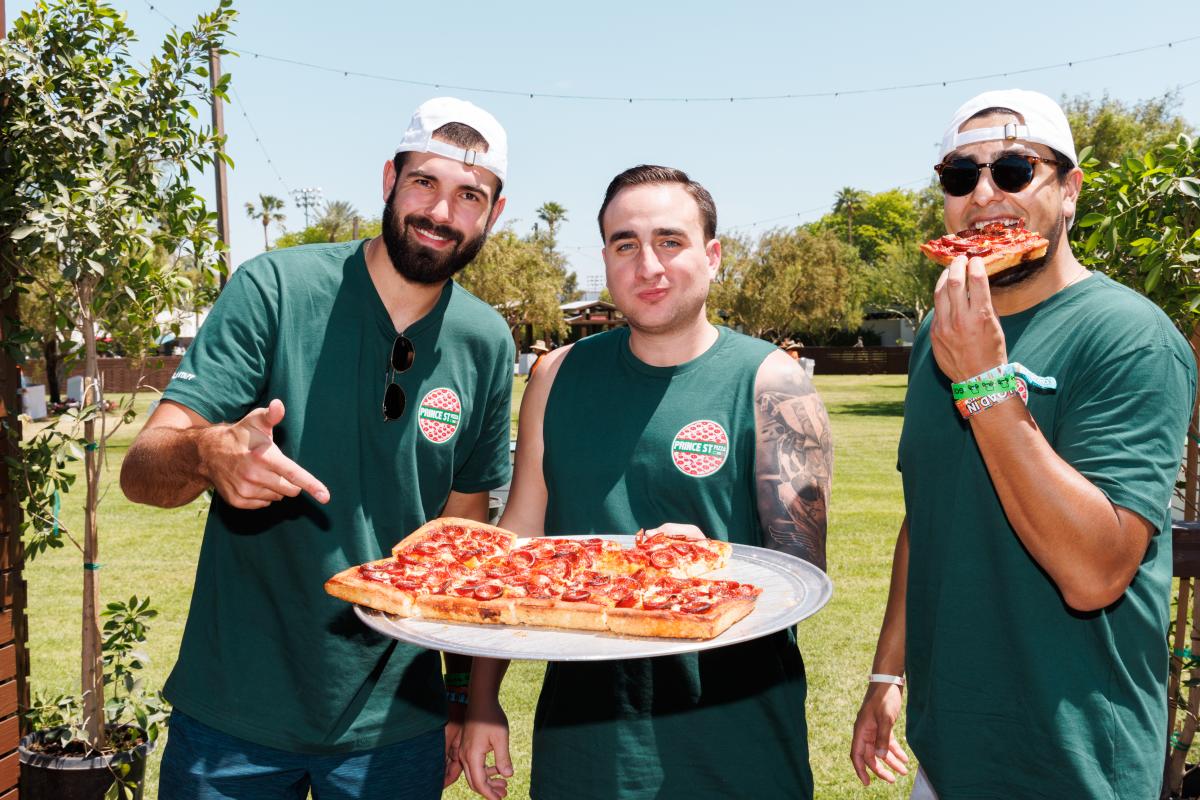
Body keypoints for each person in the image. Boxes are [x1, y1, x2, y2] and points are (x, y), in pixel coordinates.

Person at [120, 96, 516, 799]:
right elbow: (142, 470)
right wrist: (207, 453)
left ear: (493, 212)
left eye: (469, 195)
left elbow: (466, 545)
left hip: (397, 723)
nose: (441, 212)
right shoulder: (274, 289)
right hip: (234, 715)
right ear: (389, 178)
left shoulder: (485, 343)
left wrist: (462, 696)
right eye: (424, 182)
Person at [849, 89, 1196, 799]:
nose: (983, 195)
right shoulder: (942, 334)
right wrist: (888, 674)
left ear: (1068, 190)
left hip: (1073, 765)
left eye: (1013, 170)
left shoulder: (1129, 338)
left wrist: (983, 383)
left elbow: (1094, 571)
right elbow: (929, 514)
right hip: (947, 755)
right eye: (958, 176)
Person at [460, 165, 833, 800]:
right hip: (587, 736)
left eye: (670, 241)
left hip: (733, 734)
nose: (648, 266)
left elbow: (802, 575)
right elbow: (517, 546)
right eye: (625, 244)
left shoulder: (774, 382)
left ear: (712, 256)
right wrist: (480, 698)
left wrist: (706, 562)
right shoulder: (556, 376)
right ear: (605, 257)